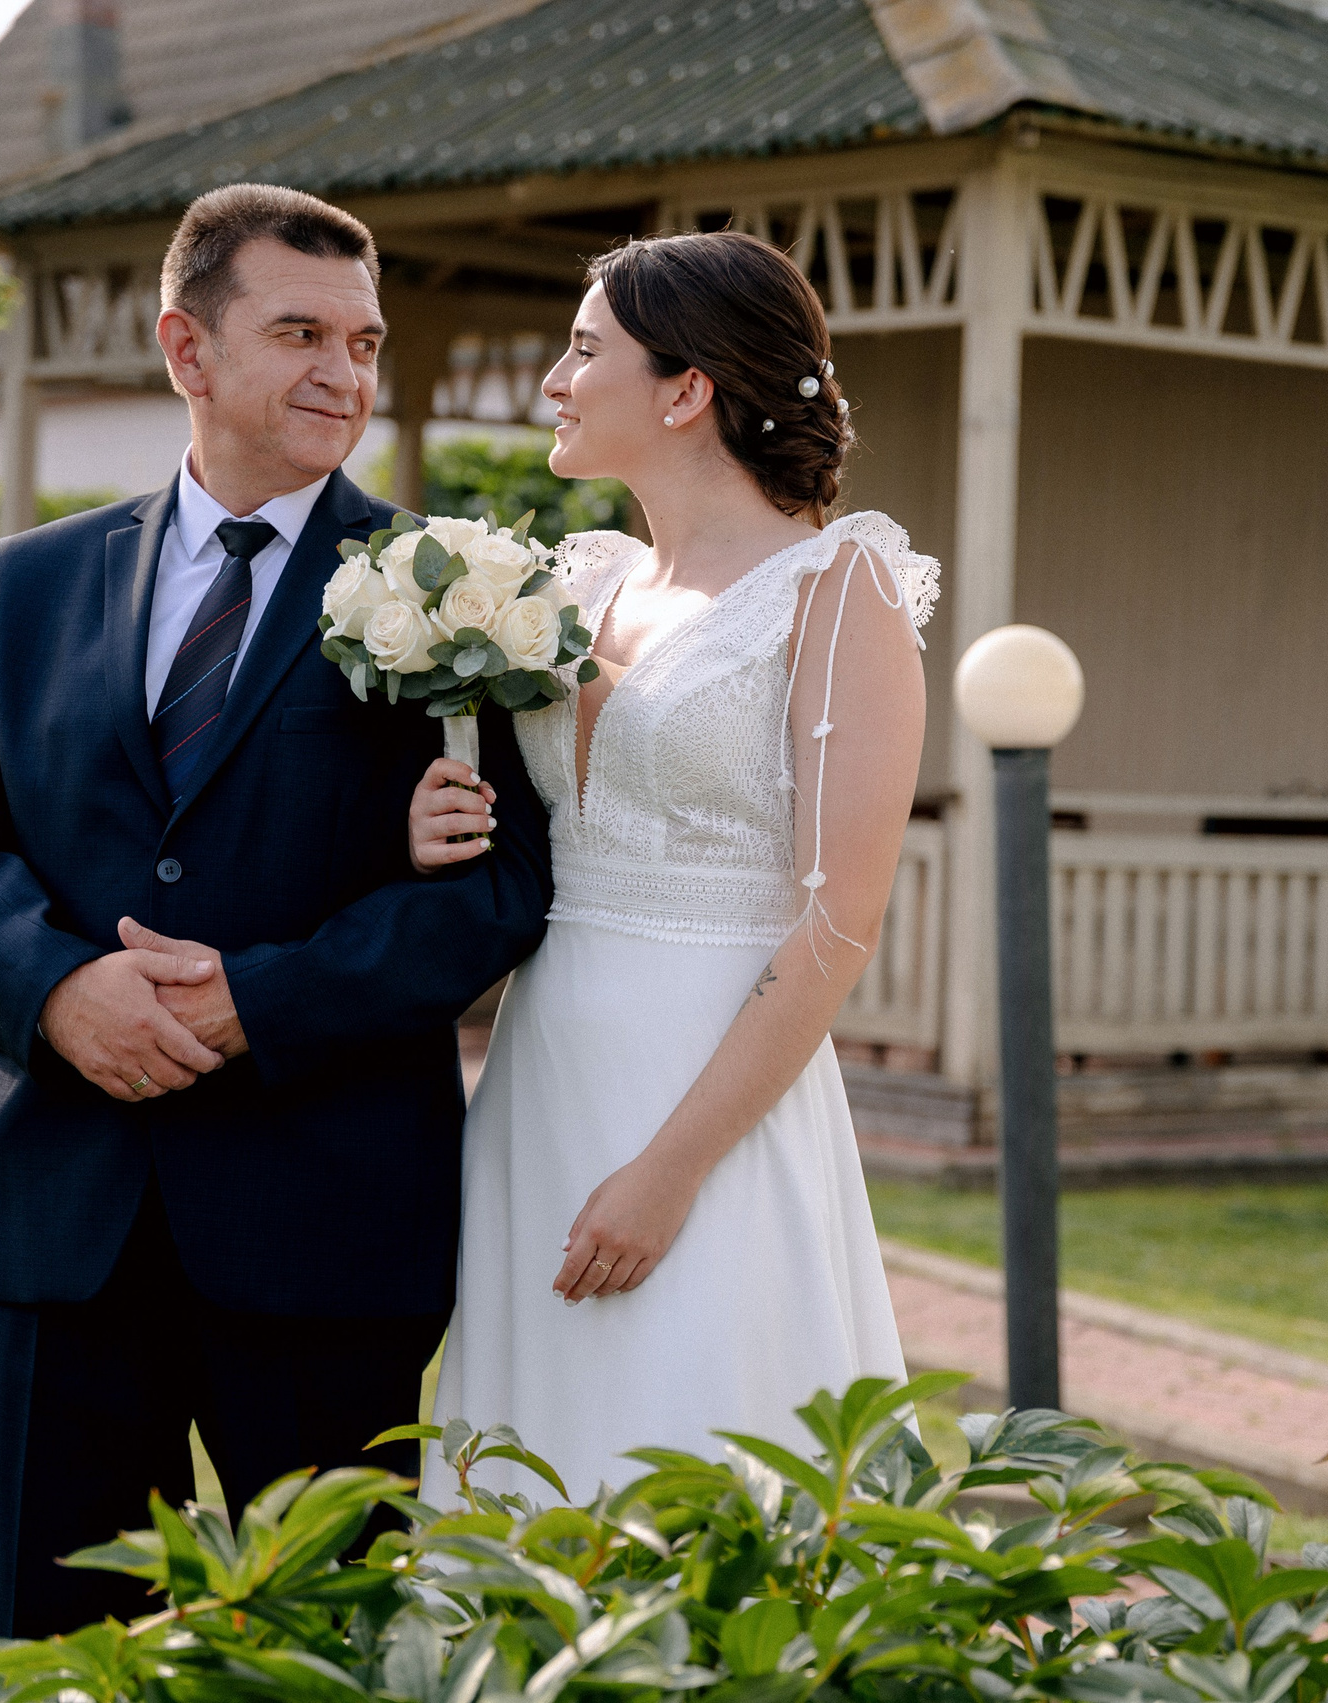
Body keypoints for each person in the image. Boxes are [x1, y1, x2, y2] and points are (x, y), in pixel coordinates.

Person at [0, 183, 552, 1637]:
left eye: (365, 340)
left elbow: (504, 886)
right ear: (188, 348)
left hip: (325, 1222)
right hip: (67, 1215)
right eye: (301, 331)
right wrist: (62, 991)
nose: (345, 372)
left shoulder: (459, 596)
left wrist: (262, 998)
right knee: (60, 1653)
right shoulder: (30, 579)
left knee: (319, 1653)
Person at [409, 231, 932, 1500]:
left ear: (685, 389)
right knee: (533, 1450)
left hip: (707, 1100)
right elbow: (535, 838)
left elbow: (835, 928)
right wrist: (434, 815)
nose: (553, 379)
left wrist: (671, 1168)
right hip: (541, 1078)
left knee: (690, 1430)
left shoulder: (835, 592)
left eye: (584, 350)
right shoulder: (577, 583)